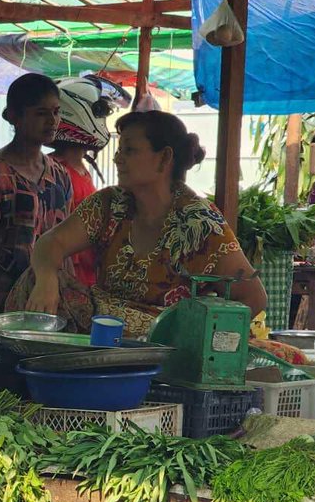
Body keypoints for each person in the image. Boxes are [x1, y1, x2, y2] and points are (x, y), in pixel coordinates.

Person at [19, 110, 267, 336]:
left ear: (164, 157)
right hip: (105, 332)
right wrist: (46, 277)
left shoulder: (199, 221)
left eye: (129, 150)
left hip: (163, 341)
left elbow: (253, 297)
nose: (117, 159)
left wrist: (195, 339)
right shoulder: (110, 204)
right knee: (33, 280)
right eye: (118, 150)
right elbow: (51, 242)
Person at [0, 74, 73, 318]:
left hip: (47, 310)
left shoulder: (59, 174)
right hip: (2, 308)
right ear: (13, 116)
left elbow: (65, 246)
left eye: (56, 112)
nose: (52, 121)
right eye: (41, 113)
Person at [51, 76, 122, 288]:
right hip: (68, 275)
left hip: (87, 275)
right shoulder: (55, 170)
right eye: (99, 113)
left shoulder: (81, 169)